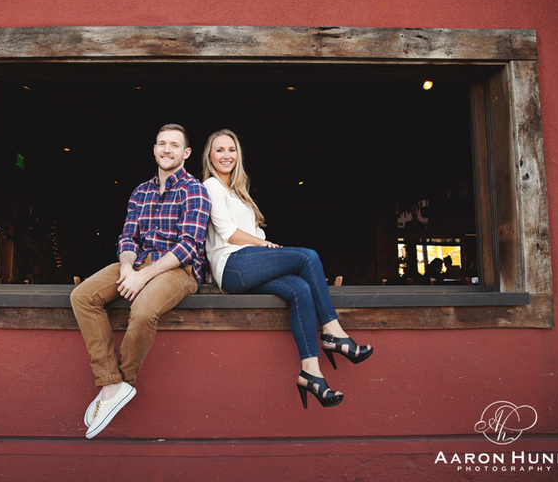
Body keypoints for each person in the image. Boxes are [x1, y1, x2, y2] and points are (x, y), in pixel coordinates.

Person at [201, 129, 372, 410]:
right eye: (219, 150)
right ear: (209, 156)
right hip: (231, 265)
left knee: (300, 289)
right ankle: (333, 332)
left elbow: (254, 233)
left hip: (247, 264)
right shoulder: (211, 186)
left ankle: (311, 373)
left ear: (238, 155)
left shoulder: (239, 193)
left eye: (231, 149)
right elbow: (228, 233)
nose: (226, 155)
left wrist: (265, 248)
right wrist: (265, 245)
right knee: (308, 257)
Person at [70, 124, 211, 439]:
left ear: (186, 153)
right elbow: (128, 237)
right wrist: (127, 268)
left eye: (174, 145)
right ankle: (111, 385)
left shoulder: (195, 190)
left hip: (179, 269)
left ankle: (122, 381)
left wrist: (143, 276)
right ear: (154, 149)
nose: (167, 149)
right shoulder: (141, 191)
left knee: (144, 310)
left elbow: (189, 246)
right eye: (162, 143)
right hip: (137, 262)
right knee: (82, 296)